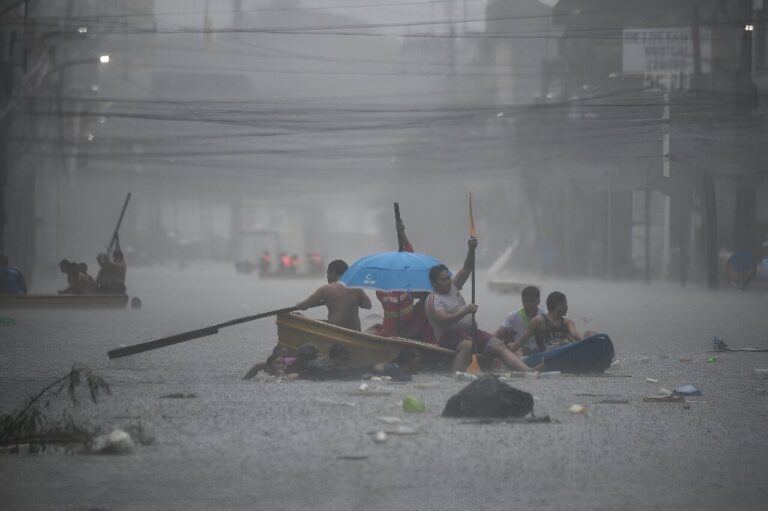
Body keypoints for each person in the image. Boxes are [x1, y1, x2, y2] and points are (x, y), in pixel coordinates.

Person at [425, 236, 535, 373]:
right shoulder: (433, 299)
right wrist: (464, 312)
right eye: (443, 280)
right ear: (434, 282)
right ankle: (456, 376)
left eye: (448, 278)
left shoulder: (454, 285)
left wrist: (471, 249)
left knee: (498, 344)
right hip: (448, 336)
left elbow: (467, 267)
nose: (448, 282)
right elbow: (443, 320)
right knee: (467, 345)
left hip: (471, 332)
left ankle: (528, 371)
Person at [372, 219, 434, 342]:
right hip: (392, 330)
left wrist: (402, 234)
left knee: (428, 297)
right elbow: (410, 256)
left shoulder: (402, 284)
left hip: (408, 327)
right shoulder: (383, 289)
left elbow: (410, 255)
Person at [295, 259, 372, 331]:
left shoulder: (325, 289)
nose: (327, 277)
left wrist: (298, 305)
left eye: (328, 273)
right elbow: (368, 305)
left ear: (333, 272)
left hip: (335, 331)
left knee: (297, 315)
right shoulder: (356, 288)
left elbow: (303, 306)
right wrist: (354, 300)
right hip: (355, 332)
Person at [509, 291, 594, 355]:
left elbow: (575, 334)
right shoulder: (539, 321)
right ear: (559, 305)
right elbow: (521, 341)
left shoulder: (567, 322)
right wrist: (508, 357)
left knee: (590, 333)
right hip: (546, 355)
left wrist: (585, 340)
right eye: (565, 304)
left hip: (564, 350)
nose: (567, 307)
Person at [496, 286, 546, 355]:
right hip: (518, 350)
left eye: (532, 301)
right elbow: (498, 333)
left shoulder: (544, 316)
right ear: (522, 300)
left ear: (538, 301)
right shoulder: (513, 316)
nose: (529, 304)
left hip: (539, 351)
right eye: (526, 301)